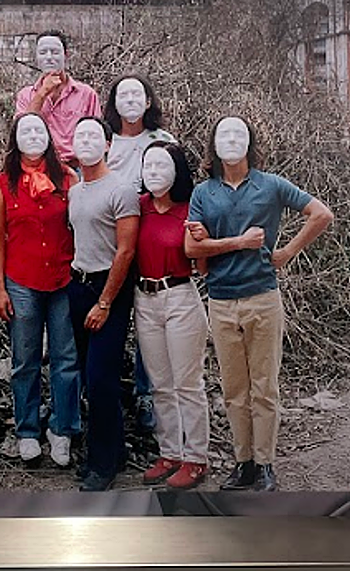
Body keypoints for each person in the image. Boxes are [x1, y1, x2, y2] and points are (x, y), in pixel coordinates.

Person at [185, 115, 333, 492]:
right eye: (224, 134)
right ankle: (244, 464)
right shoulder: (203, 192)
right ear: (214, 144)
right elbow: (191, 249)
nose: (232, 140)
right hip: (221, 300)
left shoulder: (271, 185)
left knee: (264, 387)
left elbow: (321, 214)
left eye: (239, 134)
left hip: (263, 298)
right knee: (234, 389)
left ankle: (265, 465)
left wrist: (287, 252)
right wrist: (235, 243)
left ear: (250, 143)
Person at [0, 112, 81, 468]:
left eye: (38, 130)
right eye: (25, 130)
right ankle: (27, 431)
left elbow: (79, 226)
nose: (32, 136)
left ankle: (62, 429)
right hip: (21, 281)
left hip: (62, 279)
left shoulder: (68, 178)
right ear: (15, 139)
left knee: (65, 359)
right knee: (25, 360)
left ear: (49, 136)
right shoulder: (1, 184)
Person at [68, 116, 140, 491]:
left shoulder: (121, 189)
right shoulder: (76, 190)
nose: (86, 142)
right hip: (78, 285)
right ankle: (114, 451)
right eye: (80, 136)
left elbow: (125, 251)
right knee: (89, 375)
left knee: (100, 378)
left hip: (108, 288)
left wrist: (106, 301)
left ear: (108, 144)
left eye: (94, 135)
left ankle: (102, 466)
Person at [134, 141, 210, 490]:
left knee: (187, 383)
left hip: (179, 296)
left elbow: (203, 267)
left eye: (161, 165)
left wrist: (203, 241)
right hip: (144, 299)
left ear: (176, 171)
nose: (153, 172)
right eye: (148, 165)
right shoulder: (138, 207)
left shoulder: (190, 208)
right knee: (160, 384)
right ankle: (170, 453)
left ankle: (196, 458)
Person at [104, 73, 174, 432]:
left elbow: (178, 191)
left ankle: (148, 394)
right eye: (123, 95)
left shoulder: (163, 141)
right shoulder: (105, 142)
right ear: (113, 103)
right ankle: (108, 393)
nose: (130, 102)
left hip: (151, 241)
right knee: (112, 318)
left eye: (137, 95)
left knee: (151, 321)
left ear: (148, 101)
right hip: (110, 244)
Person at [15, 31, 101, 166]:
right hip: (39, 168)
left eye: (55, 52)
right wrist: (42, 93)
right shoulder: (25, 95)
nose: (49, 57)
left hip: (77, 167)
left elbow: (97, 135)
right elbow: (21, 130)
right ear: (36, 57)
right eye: (43, 52)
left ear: (66, 55)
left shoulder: (86, 94)